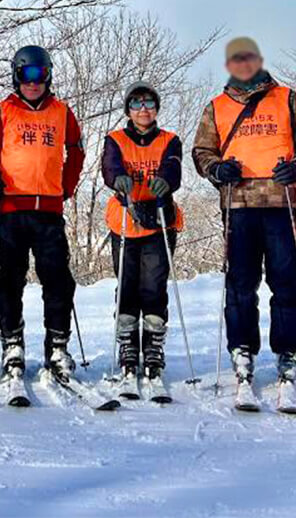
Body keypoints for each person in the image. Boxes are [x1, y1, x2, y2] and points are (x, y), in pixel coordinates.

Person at [191, 36, 296, 409]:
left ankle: (288, 353)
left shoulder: (286, 97)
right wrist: (218, 169)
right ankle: (242, 350)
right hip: (239, 205)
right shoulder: (216, 106)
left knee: (286, 281)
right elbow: (202, 152)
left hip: (284, 204)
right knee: (240, 284)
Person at [0, 45, 85, 380]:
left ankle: (57, 345)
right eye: (26, 75)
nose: (33, 83)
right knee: (9, 279)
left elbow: (76, 150)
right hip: (11, 208)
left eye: (40, 75)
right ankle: (12, 342)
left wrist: (67, 185)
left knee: (58, 279)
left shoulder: (62, 112)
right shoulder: (2, 111)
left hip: (48, 209)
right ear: (16, 76)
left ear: (48, 76)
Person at [102, 82, 183, 384]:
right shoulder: (115, 139)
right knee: (127, 284)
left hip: (158, 220)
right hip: (125, 219)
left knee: (153, 285)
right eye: (136, 104)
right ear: (128, 110)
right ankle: (127, 344)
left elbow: (173, 167)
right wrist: (117, 178)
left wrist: (165, 181)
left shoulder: (169, 140)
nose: (143, 109)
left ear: (156, 108)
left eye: (149, 103)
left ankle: (153, 345)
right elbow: (110, 165)